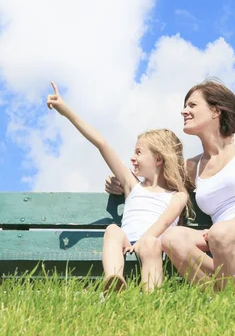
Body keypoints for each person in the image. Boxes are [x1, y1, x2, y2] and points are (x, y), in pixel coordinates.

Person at [105, 79, 235, 290]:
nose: (184, 111)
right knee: (171, 239)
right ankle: (225, 295)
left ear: (216, 111)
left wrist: (227, 228)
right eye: (185, 106)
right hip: (219, 239)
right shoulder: (191, 167)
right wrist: (124, 184)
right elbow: (157, 182)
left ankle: (233, 299)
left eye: (192, 105)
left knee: (220, 234)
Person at [46, 82, 192, 292]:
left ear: (158, 159)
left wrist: (142, 241)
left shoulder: (178, 196)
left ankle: (151, 298)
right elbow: (102, 144)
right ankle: (114, 281)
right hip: (128, 241)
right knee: (113, 229)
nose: (132, 158)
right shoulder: (132, 185)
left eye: (139, 153)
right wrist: (66, 111)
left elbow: (164, 222)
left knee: (151, 244)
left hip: (154, 245)